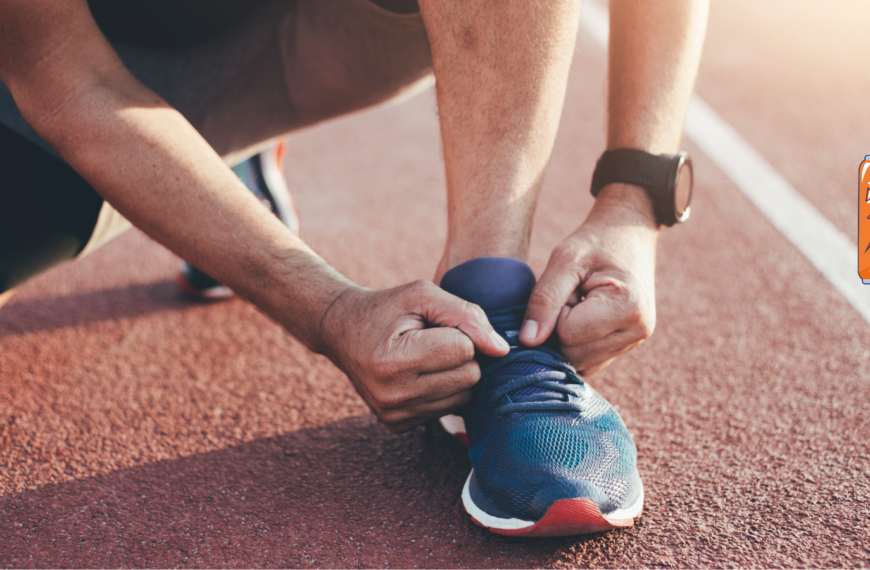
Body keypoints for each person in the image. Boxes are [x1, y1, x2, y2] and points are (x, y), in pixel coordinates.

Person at [0, 0, 709, 536]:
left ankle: (491, 307)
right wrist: (329, 310)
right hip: (66, 76)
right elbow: (62, 81)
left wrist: (633, 201)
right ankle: (215, 175)